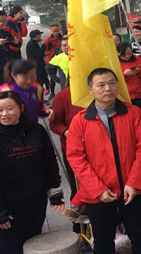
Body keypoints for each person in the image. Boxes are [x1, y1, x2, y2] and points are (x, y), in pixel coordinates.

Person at [66, 68, 141, 254]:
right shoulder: (80, 121)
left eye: (112, 83)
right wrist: (97, 189)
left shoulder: (133, 113)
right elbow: (76, 157)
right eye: (101, 85)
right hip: (99, 194)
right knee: (103, 241)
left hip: (133, 190)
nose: (108, 88)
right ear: (90, 89)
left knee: (140, 235)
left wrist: (134, 182)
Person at [0, 91, 64, 254]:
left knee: (34, 244)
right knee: (10, 248)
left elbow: (49, 161)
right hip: (7, 208)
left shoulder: (37, 130)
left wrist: (54, 190)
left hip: (35, 202)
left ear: (21, 108)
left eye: (10, 108)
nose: (5, 114)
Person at [48, 86, 85, 233]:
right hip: (73, 150)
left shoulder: (101, 91)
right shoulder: (63, 96)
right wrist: (66, 132)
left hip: (100, 150)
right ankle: (79, 229)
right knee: (78, 189)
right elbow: (55, 124)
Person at [0, 59, 50, 126]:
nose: (29, 81)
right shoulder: (4, 91)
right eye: (25, 78)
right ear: (14, 76)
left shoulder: (37, 88)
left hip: (31, 130)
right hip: (9, 133)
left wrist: (49, 111)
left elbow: (39, 110)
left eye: (32, 77)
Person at [118, 42, 141, 109]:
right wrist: (124, 75)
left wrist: (138, 72)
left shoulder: (137, 59)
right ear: (118, 53)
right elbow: (115, 79)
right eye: (123, 54)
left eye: (129, 53)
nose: (127, 56)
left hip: (139, 93)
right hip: (125, 95)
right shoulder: (116, 62)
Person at [43, 25, 64, 95]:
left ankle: (64, 92)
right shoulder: (47, 40)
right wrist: (47, 53)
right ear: (51, 31)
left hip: (61, 60)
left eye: (57, 31)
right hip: (51, 60)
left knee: (63, 76)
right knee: (52, 78)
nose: (56, 33)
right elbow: (44, 49)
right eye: (54, 31)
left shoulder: (63, 38)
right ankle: (52, 93)